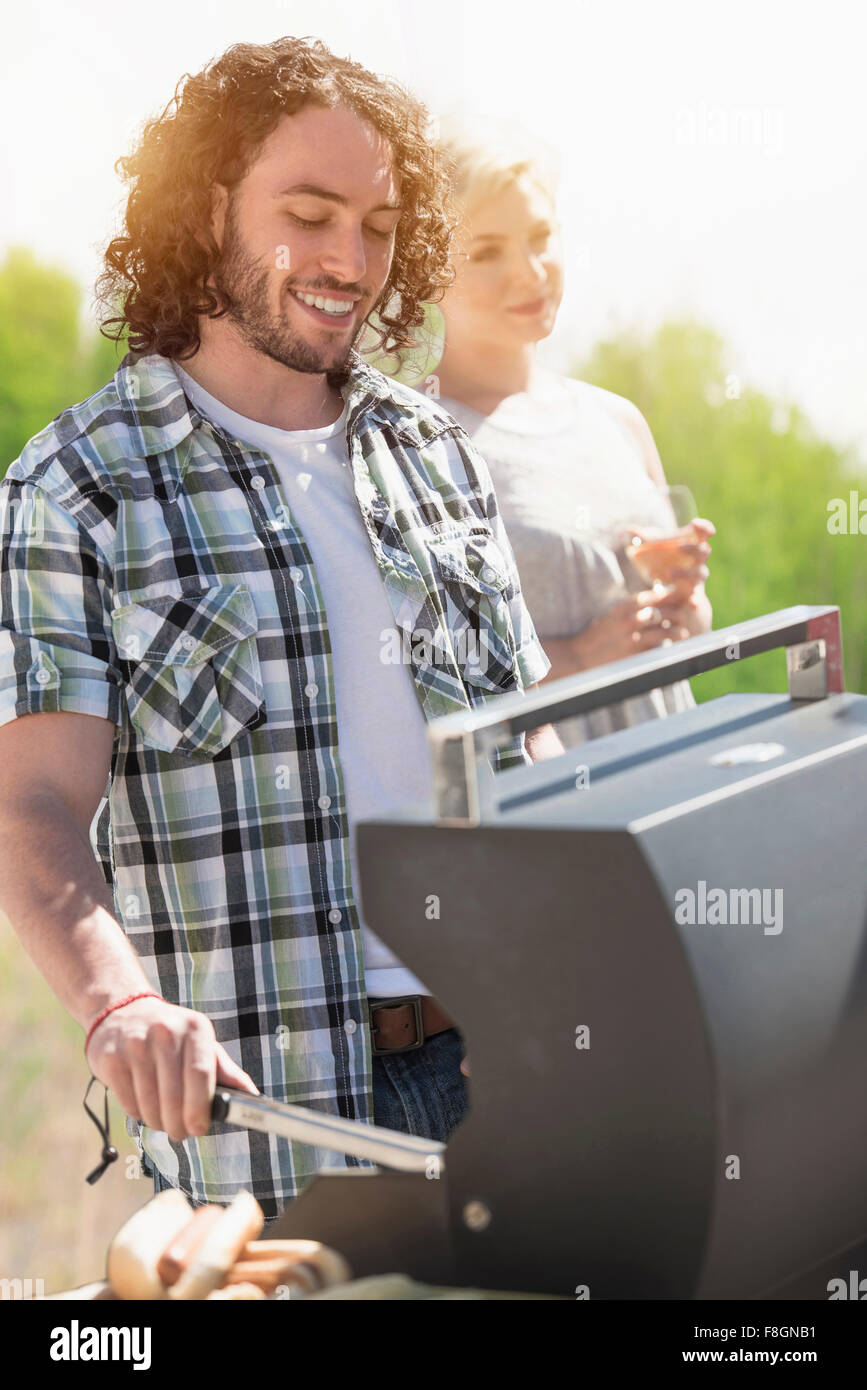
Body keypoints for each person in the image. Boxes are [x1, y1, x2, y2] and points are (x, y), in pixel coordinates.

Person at [0, 38, 561, 1222]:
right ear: (208, 210)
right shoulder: (79, 487)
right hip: (276, 1129)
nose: (349, 262)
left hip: (513, 1075)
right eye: (308, 215)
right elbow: (31, 802)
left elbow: (535, 749)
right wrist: (119, 1004)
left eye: (379, 225)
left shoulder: (434, 455)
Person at [432, 117, 715, 745]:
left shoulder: (618, 420)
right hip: (563, 811)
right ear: (428, 271)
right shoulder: (426, 444)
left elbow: (695, 632)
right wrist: (580, 656)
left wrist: (682, 601)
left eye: (540, 237)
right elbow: (430, 668)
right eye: (485, 252)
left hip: (677, 764)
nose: (529, 272)